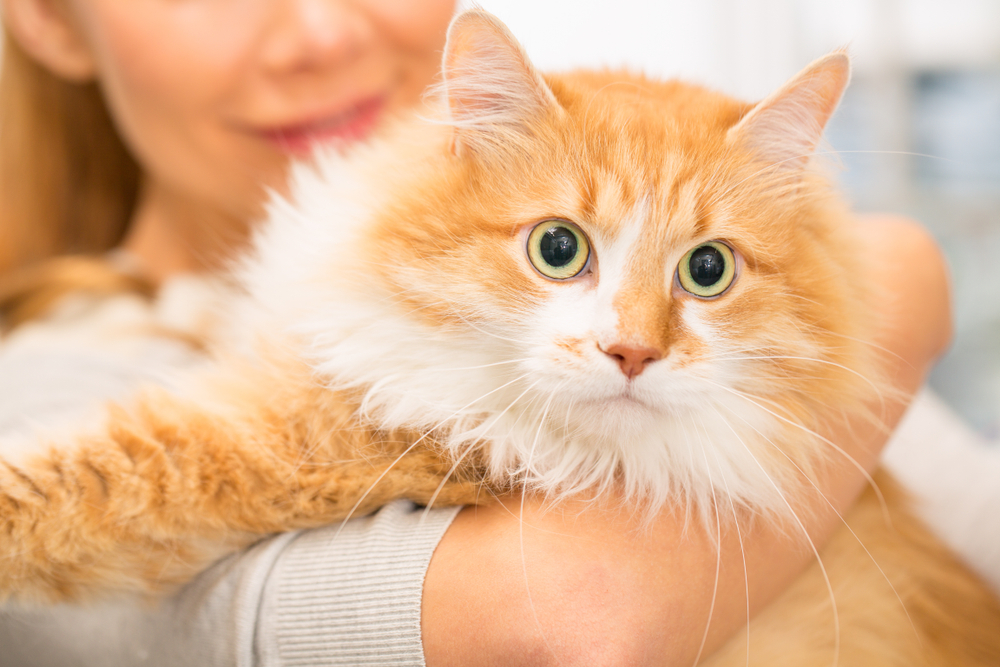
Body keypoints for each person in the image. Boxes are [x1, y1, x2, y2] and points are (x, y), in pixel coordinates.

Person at [0, 1, 966, 665]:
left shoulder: (751, 373)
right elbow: (578, 625)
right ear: (47, 20)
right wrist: (906, 290)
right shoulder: (48, 373)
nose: (322, 34)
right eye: (560, 248)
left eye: (702, 271)